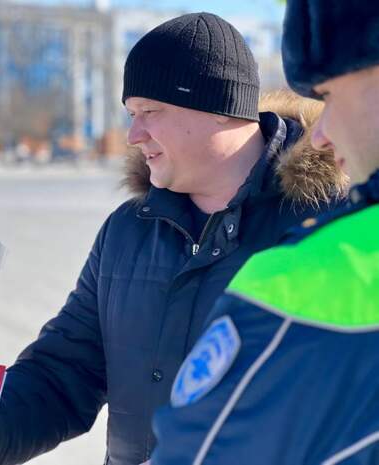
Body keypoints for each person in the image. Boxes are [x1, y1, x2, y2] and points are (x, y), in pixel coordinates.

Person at [0, 13, 345, 465]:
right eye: (131, 115)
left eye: (150, 112)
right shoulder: (128, 232)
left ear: (220, 107)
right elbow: (63, 374)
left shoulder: (325, 228)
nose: (135, 135)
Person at [150, 2, 379, 465]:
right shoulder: (130, 228)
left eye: (330, 96)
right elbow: (68, 363)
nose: (321, 133)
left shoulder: (314, 275)